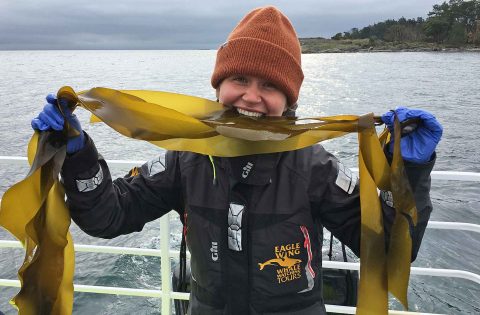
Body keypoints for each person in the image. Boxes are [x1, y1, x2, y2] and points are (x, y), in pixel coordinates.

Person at [31, 6, 442, 315]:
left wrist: (409, 175)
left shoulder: (313, 167)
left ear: (289, 100)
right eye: (239, 79)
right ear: (219, 85)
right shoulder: (187, 159)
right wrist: (79, 155)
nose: (251, 96)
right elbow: (109, 215)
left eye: (269, 86)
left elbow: (390, 252)